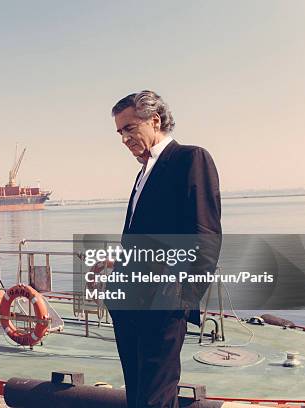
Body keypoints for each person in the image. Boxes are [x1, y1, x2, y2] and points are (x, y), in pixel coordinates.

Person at [108, 90, 222, 408]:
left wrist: (181, 302)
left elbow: (206, 235)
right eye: (120, 132)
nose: (124, 139)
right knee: (138, 394)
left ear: (155, 120)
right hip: (128, 302)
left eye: (129, 128)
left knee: (156, 398)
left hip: (162, 305)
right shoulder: (143, 172)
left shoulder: (190, 158)